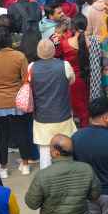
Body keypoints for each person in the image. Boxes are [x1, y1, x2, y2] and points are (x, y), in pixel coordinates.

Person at [25, 134, 101, 214]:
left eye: (50, 149)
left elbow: (32, 203)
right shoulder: (86, 169)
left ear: (56, 153)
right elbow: (95, 195)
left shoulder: (43, 175)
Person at [0, 26, 35, 178]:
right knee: (21, 133)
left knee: (2, 135)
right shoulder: (19, 56)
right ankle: (25, 165)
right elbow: (25, 79)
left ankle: (3, 167)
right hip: (16, 100)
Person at [30, 39, 77, 170]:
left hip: (41, 117)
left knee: (45, 150)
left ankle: (46, 177)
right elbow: (71, 81)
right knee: (66, 147)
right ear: (54, 51)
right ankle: (67, 172)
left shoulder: (31, 67)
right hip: (63, 114)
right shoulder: (65, 65)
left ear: (38, 52)